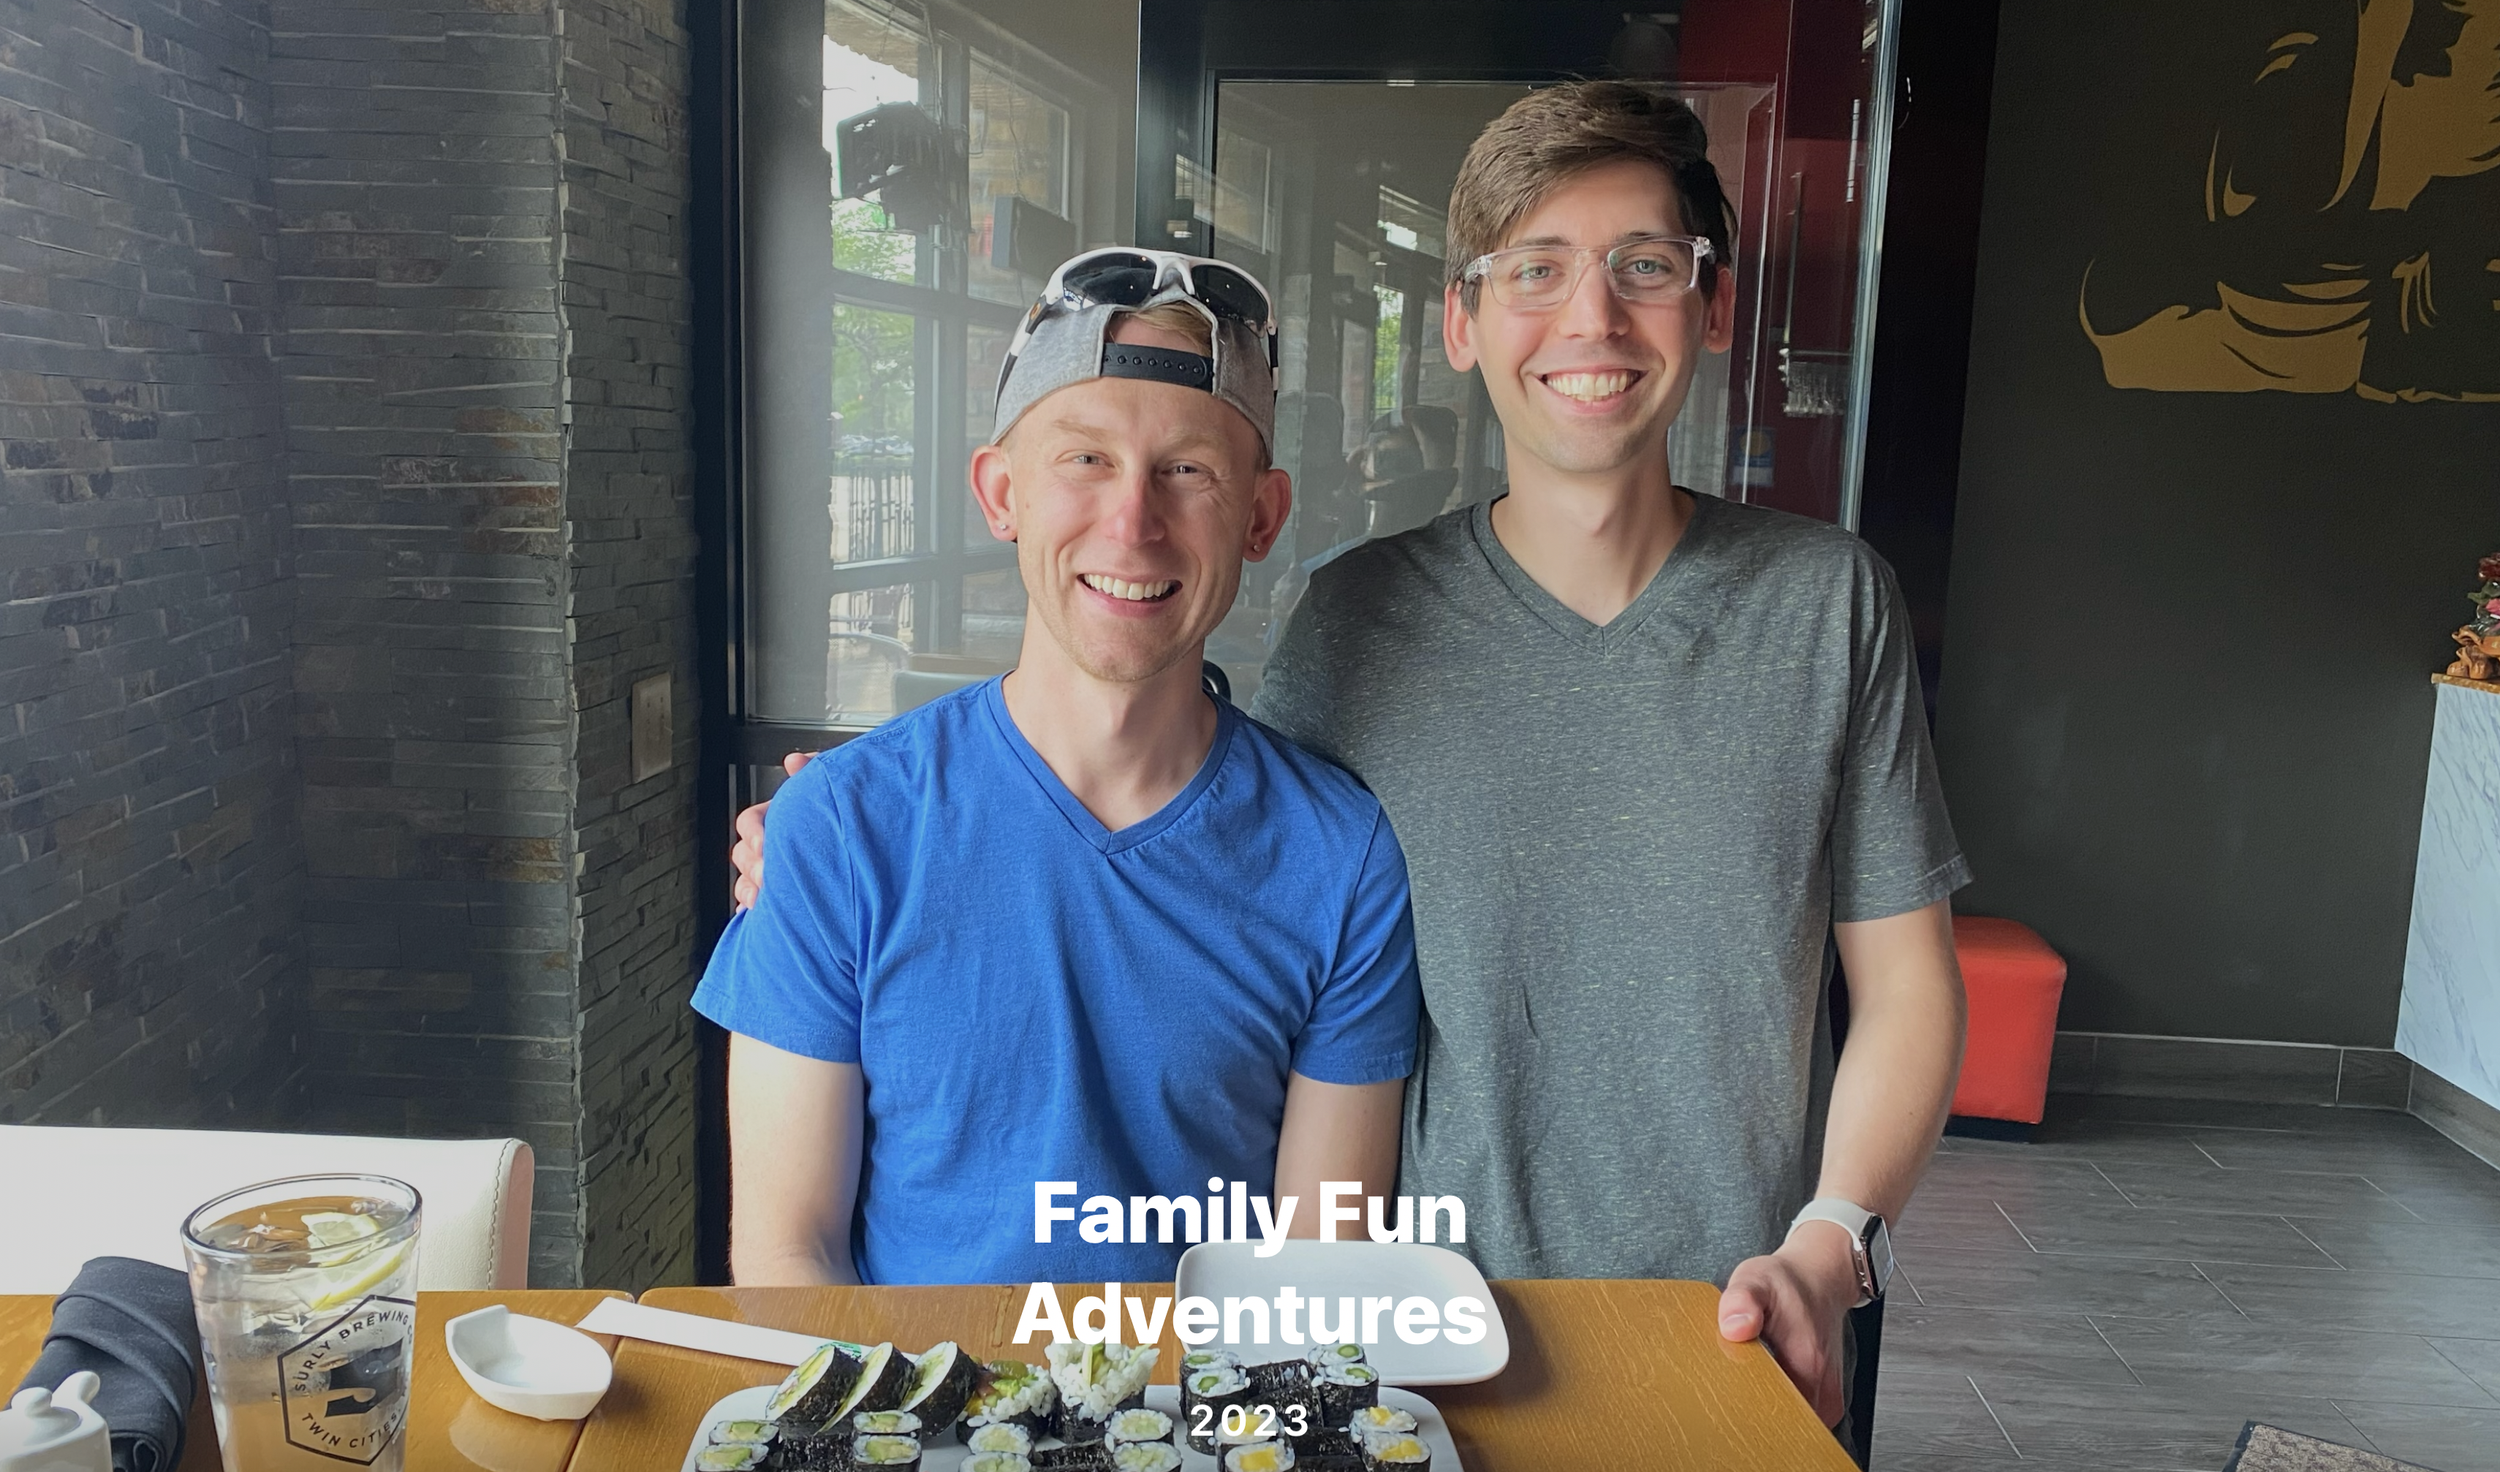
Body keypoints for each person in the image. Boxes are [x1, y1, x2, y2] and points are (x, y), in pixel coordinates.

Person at [734, 82, 1965, 1436]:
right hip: (1431, 1355)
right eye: (1535, 269)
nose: (1592, 318)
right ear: (1461, 321)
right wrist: (836, 840)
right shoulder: (1358, 621)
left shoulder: (1828, 606)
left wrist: (1834, 1240)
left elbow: (1906, 984)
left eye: (1646, 266)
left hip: (1735, 1331)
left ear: (1713, 303)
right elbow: (1179, 794)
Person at [698, 250, 1420, 1287]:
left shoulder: (1341, 858)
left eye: (1189, 470)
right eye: (1085, 459)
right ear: (1002, 494)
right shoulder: (839, 829)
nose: (1132, 523)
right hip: (921, 1389)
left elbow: (1313, 1272)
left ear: (1262, 517)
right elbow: (787, 1253)